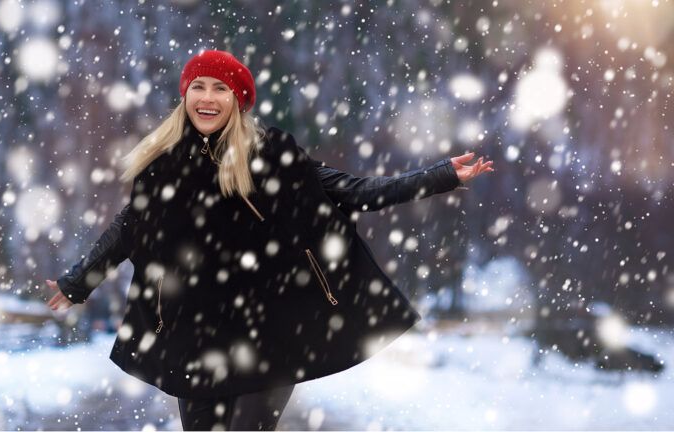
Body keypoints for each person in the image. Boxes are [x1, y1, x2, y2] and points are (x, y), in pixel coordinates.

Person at [45, 50, 494, 431]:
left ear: (237, 101)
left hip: (269, 334)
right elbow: (129, 229)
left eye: (220, 88)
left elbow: (356, 191)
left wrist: (439, 177)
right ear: (185, 96)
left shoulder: (274, 156)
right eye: (199, 86)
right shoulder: (162, 166)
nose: (208, 97)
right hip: (192, 337)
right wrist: (77, 283)